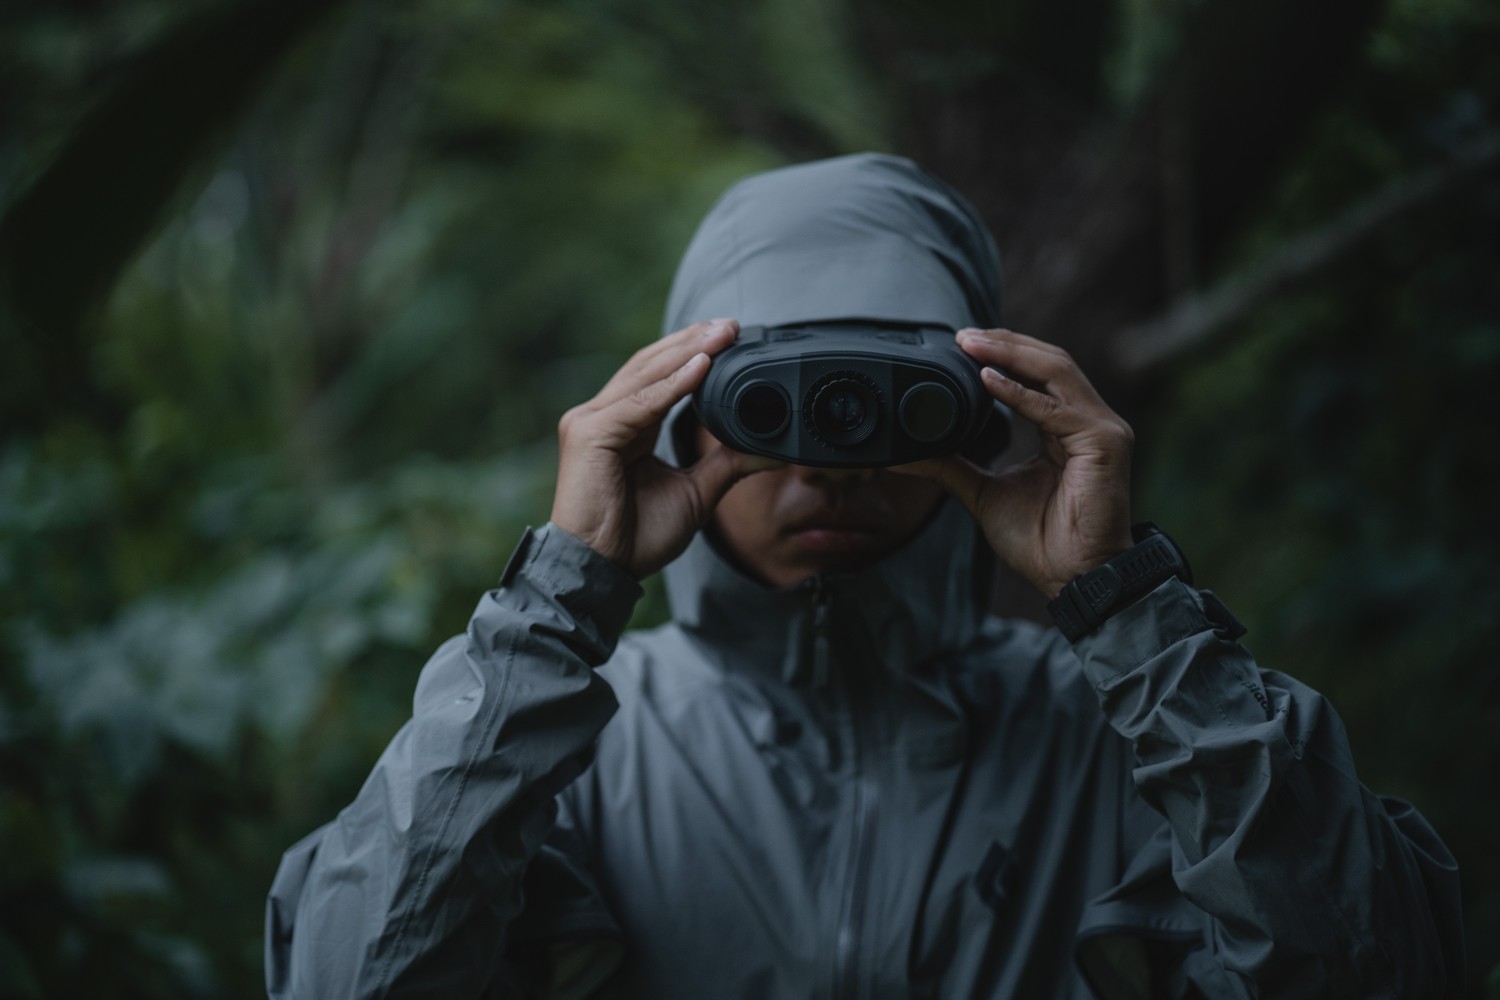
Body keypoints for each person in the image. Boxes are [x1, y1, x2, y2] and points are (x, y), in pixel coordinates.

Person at [264, 154, 1464, 998]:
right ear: (676, 418)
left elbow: (1367, 972)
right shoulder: (565, 750)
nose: (829, 466)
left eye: (888, 407)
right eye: (769, 410)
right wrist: (557, 597)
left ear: (978, 404)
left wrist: (1131, 613)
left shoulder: (1131, 741)